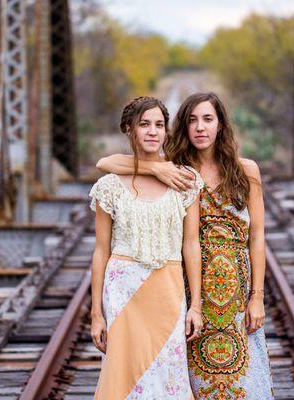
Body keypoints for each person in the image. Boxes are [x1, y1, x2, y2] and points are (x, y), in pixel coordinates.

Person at [97, 92, 273, 399]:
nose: (200, 128)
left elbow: (257, 237)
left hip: (234, 290)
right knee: (188, 379)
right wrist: (155, 168)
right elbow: (106, 162)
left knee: (243, 379)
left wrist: (257, 296)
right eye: (192, 120)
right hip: (190, 289)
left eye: (208, 119)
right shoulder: (176, 170)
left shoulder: (247, 171)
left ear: (221, 125)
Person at [89, 96, 204, 399]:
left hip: (167, 289)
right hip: (123, 290)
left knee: (168, 372)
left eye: (159, 125)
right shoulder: (109, 186)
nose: (153, 131)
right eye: (144, 125)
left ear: (167, 131)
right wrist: (96, 313)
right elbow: (101, 251)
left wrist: (196, 305)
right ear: (129, 129)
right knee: (124, 375)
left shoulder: (185, 180)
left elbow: (191, 245)